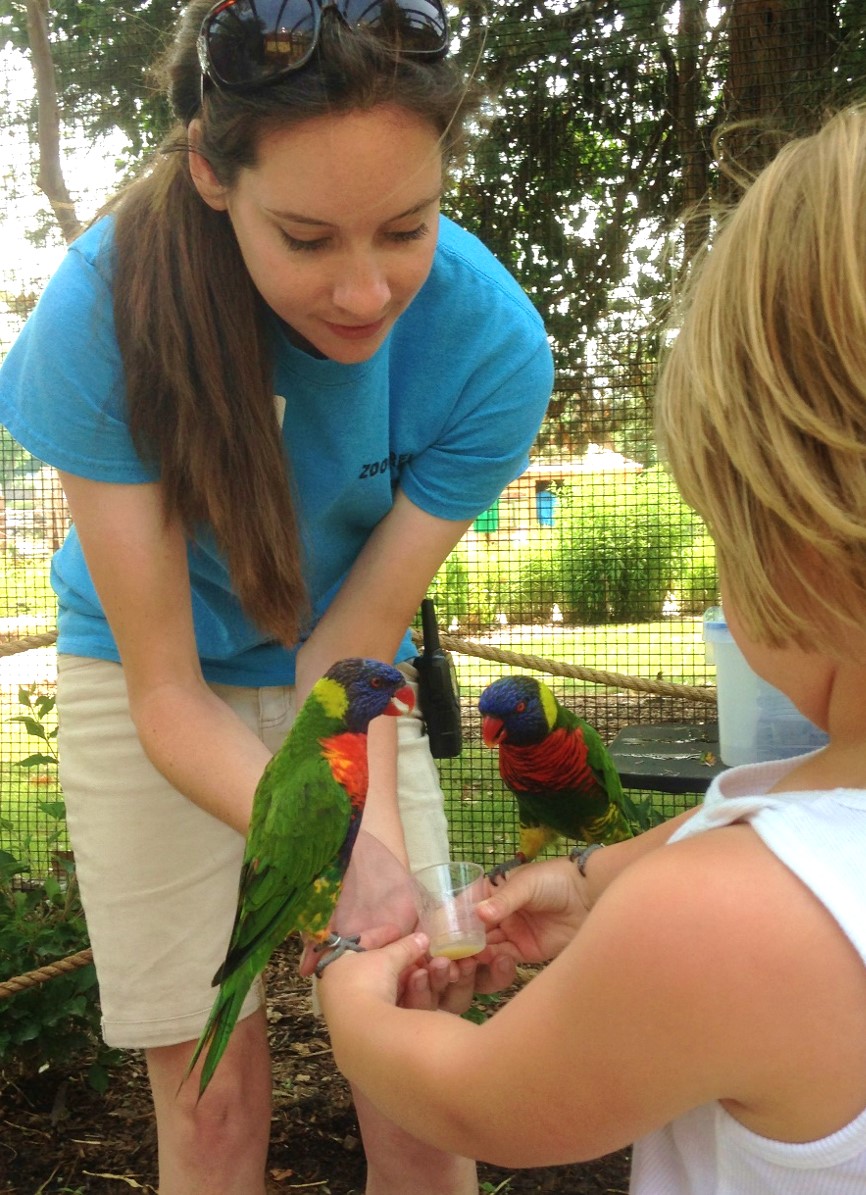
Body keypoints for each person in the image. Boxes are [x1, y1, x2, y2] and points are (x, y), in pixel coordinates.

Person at [0, 1, 552, 1191]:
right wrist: (343, 854)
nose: (364, 293)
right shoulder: (101, 319)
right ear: (210, 172)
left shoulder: (492, 348)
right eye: (305, 239)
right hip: (156, 678)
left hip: (343, 677)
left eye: (406, 227)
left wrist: (372, 863)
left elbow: (347, 655)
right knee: (211, 1102)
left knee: (416, 1080)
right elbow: (164, 694)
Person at [317, 104, 866, 1192]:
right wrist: (578, 879)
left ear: (796, 531)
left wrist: (346, 993)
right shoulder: (768, 854)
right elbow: (761, 812)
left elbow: (484, 1101)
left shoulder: (730, 915)